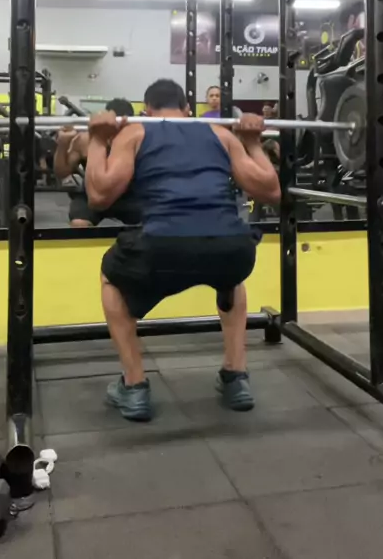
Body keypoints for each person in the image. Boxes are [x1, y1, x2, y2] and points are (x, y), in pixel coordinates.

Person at [85, 78, 280, 422]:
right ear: (189, 109)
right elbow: (270, 190)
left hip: (162, 246)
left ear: (146, 110)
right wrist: (253, 143)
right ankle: (236, 377)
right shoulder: (219, 133)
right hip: (233, 247)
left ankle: (134, 386)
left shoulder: (134, 132)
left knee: (111, 278)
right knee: (231, 277)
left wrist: (98, 140)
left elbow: (99, 196)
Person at [54, 98, 139, 227]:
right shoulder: (84, 140)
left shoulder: (138, 141)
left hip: (129, 197)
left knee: (154, 219)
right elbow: (62, 173)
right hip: (91, 196)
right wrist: (63, 144)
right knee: (79, 223)